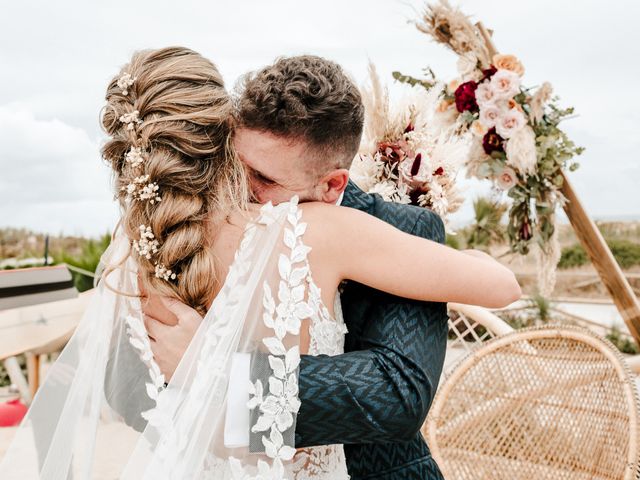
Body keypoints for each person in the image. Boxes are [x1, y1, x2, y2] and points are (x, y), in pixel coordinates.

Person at [0, 47, 521, 479]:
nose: (244, 193)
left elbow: (397, 396)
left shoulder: (393, 227)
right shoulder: (214, 231)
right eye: (237, 165)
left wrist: (216, 373)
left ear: (332, 184)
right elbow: (123, 381)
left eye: (266, 181)